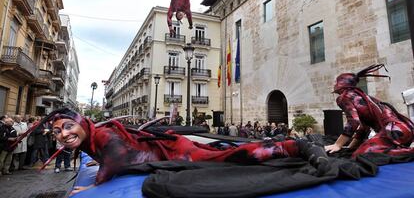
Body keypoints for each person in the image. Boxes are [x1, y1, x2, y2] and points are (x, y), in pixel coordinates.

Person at [45, 108, 329, 195]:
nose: (64, 134)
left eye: (68, 126)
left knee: (227, 158)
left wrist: (95, 184)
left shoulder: (103, 134)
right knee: (223, 151)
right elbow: (111, 154)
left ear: (82, 123)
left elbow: (117, 158)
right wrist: (99, 165)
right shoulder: (92, 138)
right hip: (170, 150)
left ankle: (293, 145)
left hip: (175, 152)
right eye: (58, 131)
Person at [325, 64, 414, 158]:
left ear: (342, 84)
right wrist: (349, 148)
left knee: (362, 155)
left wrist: (338, 145)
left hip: (394, 132)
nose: (334, 85)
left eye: (336, 82)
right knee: (357, 153)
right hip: (404, 131)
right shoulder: (361, 97)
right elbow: (364, 129)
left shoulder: (345, 97)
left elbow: (354, 121)